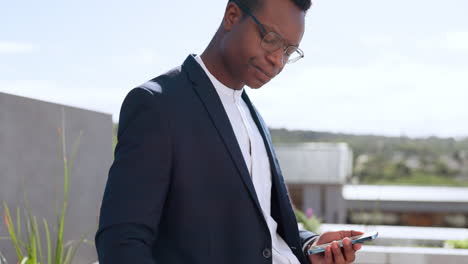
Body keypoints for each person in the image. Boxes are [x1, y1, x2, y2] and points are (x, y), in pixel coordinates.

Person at [95, 0, 364, 263]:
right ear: (232, 15)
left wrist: (310, 246)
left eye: (289, 51)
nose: (277, 61)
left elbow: (262, 226)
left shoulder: (252, 114)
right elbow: (121, 241)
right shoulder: (158, 105)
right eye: (271, 39)